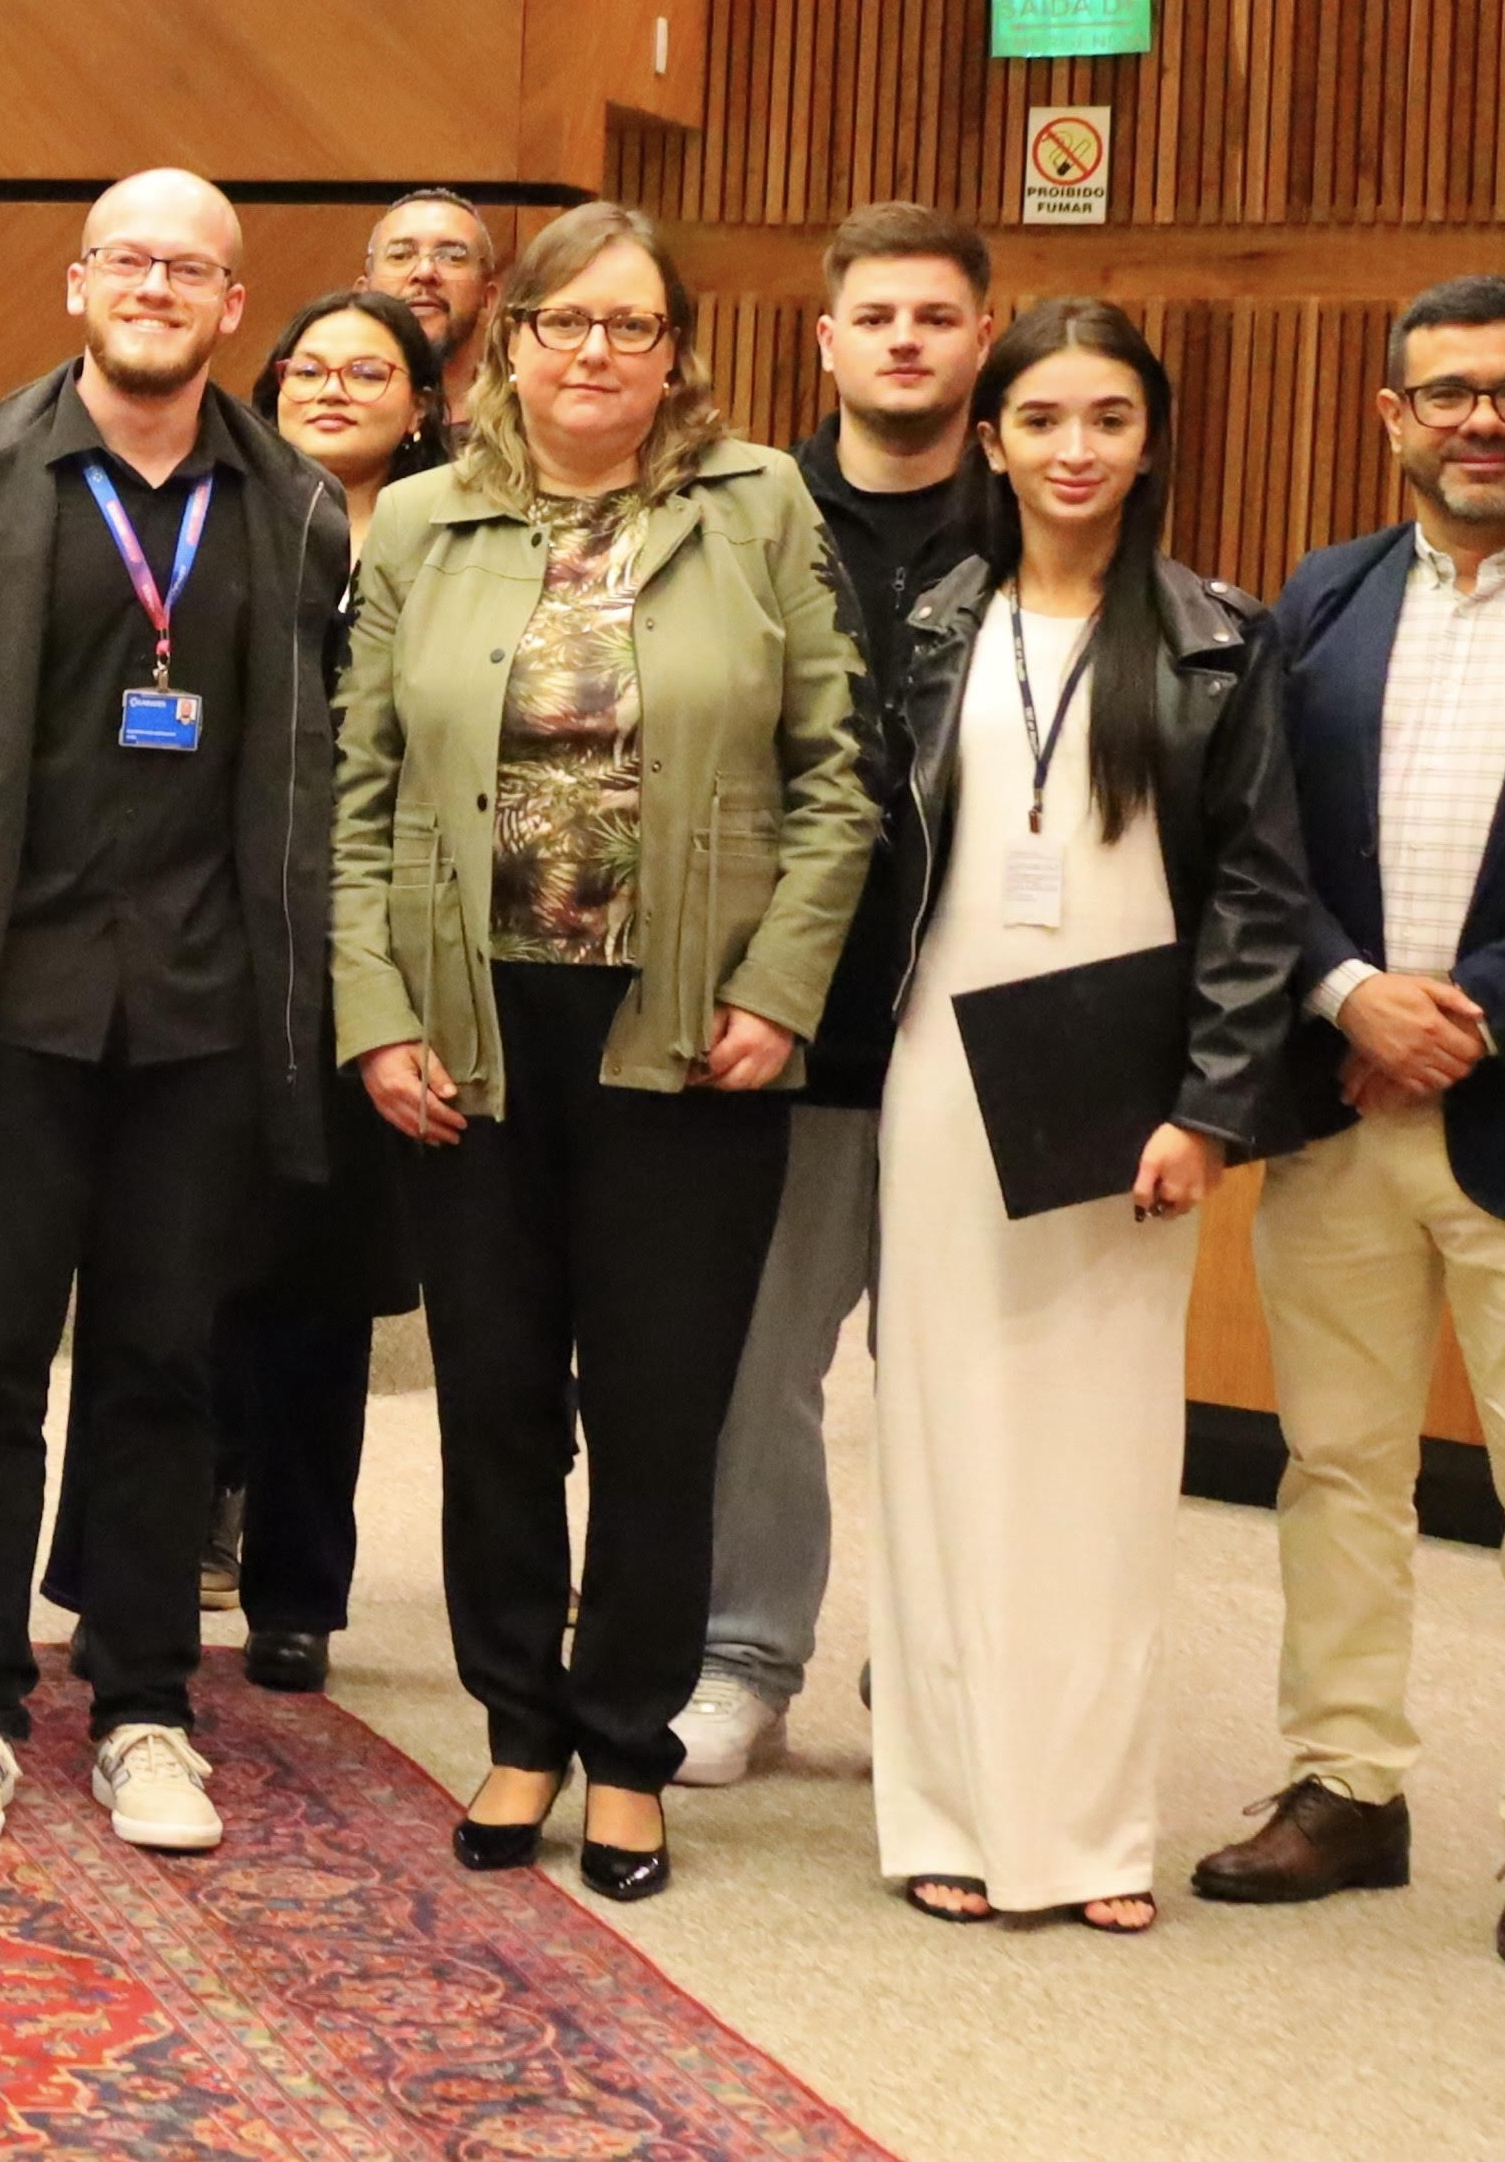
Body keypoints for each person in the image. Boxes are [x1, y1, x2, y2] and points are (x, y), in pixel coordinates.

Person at [335, 199, 870, 1902]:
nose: (592, 354)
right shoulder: (420, 520)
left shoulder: (758, 505)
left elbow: (836, 776)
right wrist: (375, 1013)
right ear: (508, 340)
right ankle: (515, 1719)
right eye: (563, 322)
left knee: (656, 1410)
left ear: (673, 354)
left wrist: (778, 987)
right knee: (492, 1403)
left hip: (685, 1037)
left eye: (628, 327)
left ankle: (627, 1744)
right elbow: (346, 804)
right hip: (468, 1034)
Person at [0, 170, 343, 1862]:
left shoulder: (294, 503)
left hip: (201, 1007)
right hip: (3, 1003)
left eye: (189, 266)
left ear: (230, 304)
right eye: (127, 257)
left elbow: (323, 777)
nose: (155, 284)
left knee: (161, 1369)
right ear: (74, 284)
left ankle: (139, 1709)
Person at [858, 299, 1306, 1932]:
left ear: (1146, 438)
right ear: (990, 438)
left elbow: (1260, 892)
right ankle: (945, 1805)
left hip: (1126, 1095)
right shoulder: (931, 619)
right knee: (940, 1439)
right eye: (1039, 417)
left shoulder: (1213, 637)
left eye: (1105, 417)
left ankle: (1087, 1828)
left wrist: (1209, 1103)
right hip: (939, 1073)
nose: (1070, 448)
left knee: (1103, 1460)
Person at [1193, 275, 1505, 1975]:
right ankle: (1345, 1782)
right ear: (1389, 415)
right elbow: (1251, 836)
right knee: (1338, 1464)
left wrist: (1476, 1009)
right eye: (1445, 392)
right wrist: (1346, 992)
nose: (1480, 422)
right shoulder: (1323, 596)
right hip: (1337, 1109)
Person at [682, 205, 999, 1788]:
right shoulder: (744, 516)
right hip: (792, 1018)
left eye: (935, 317)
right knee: (760, 1366)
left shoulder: (1043, 527)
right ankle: (745, 1659)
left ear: (981, 339)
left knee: (972, 1378)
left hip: (987, 1033)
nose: (902, 342)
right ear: (822, 340)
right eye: (873, 316)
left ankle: (946, 1669)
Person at [192, 289, 444, 1700]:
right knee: (179, 1272)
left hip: (362, 962)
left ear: (419, 405)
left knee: (316, 1298)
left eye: (372, 371)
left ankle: (297, 1588)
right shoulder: (211, 520)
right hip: (205, 943)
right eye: (311, 366)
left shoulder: (442, 550)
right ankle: (153, 1557)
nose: (335, 388)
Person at [361, 190, 499, 359]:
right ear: (364, 293)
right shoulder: (327, 386)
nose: (425, 272)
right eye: (400, 255)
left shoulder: (523, 386)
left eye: (452, 256)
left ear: (488, 299)